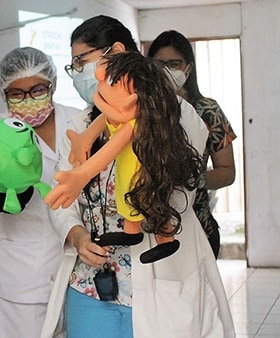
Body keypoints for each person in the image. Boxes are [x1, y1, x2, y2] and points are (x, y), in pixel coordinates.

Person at [40, 15, 234, 338]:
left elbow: (184, 189)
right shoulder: (80, 127)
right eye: (73, 65)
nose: (77, 73)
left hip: (161, 281)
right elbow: (62, 195)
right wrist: (75, 235)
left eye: (81, 61)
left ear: (115, 53)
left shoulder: (176, 113)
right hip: (91, 286)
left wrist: (152, 114)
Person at [0, 46, 80, 337]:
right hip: (21, 274)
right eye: (17, 93)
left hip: (75, 264)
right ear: (4, 93)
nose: (28, 100)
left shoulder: (78, 122)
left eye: (38, 89)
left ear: (52, 85)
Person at [147, 30, 237, 258]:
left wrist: (191, 182)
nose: (166, 69)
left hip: (198, 225)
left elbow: (227, 172)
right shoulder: (140, 109)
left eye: (174, 63)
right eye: (159, 64)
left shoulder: (208, 110)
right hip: (149, 230)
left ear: (188, 67)